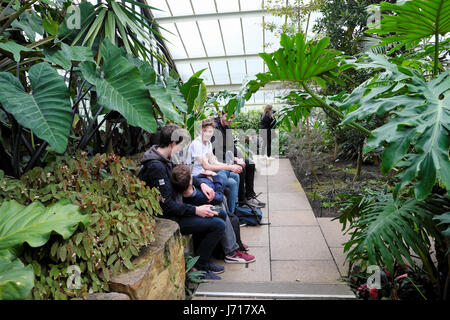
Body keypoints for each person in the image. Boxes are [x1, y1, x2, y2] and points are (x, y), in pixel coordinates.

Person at [138, 124, 225, 280]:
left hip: (179, 208)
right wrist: (196, 210)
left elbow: (183, 174)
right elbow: (167, 206)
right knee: (218, 224)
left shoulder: (164, 157)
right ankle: (200, 267)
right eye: (180, 145)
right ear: (172, 144)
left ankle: (204, 259)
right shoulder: (156, 167)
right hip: (169, 218)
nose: (181, 149)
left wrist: (201, 183)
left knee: (220, 212)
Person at [171, 164, 255, 264]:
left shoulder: (184, 190)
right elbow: (219, 196)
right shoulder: (200, 195)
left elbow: (196, 179)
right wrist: (215, 177)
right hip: (200, 208)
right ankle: (231, 252)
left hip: (195, 205)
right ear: (190, 181)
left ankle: (234, 244)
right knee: (222, 199)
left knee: (223, 205)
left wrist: (203, 183)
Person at [211, 110, 265, 208]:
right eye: (228, 117)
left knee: (250, 163)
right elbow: (215, 151)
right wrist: (236, 159)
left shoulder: (227, 126)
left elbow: (232, 146)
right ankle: (242, 200)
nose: (230, 120)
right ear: (221, 115)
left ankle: (250, 196)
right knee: (241, 168)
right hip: (218, 159)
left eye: (232, 117)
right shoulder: (214, 127)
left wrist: (240, 158)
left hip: (229, 156)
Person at [187, 118, 240, 215]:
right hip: (197, 176)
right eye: (207, 131)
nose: (209, 134)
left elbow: (214, 161)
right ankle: (229, 213)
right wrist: (229, 168)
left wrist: (230, 166)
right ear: (202, 130)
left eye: (211, 132)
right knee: (227, 177)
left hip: (207, 174)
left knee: (234, 178)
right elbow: (206, 166)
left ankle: (233, 212)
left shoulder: (208, 143)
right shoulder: (197, 144)